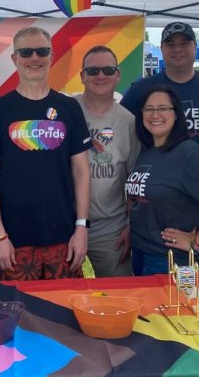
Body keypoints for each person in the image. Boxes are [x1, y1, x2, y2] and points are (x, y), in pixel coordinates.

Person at [0, 26, 92, 281]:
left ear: (51, 57)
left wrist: (81, 228)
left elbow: (82, 171)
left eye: (41, 51)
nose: (34, 58)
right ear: (14, 59)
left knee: (63, 315)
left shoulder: (69, 107)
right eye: (26, 52)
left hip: (63, 237)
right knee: (17, 315)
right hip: (13, 239)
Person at [126, 85, 199, 273]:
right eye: (149, 109)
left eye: (163, 108)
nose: (155, 114)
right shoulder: (148, 152)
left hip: (172, 259)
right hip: (143, 251)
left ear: (176, 115)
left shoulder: (188, 153)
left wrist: (197, 243)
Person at [121, 22, 199, 166]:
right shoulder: (141, 89)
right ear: (162, 49)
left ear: (195, 47)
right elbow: (120, 129)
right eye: (170, 44)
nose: (178, 49)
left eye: (185, 43)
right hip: (156, 181)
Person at [75, 46, 138, 277]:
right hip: (65, 223)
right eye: (92, 70)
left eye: (108, 69)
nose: (100, 76)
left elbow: (134, 180)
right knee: (59, 295)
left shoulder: (129, 122)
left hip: (111, 226)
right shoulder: (66, 110)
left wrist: (131, 224)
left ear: (118, 75)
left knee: (119, 295)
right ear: (82, 76)